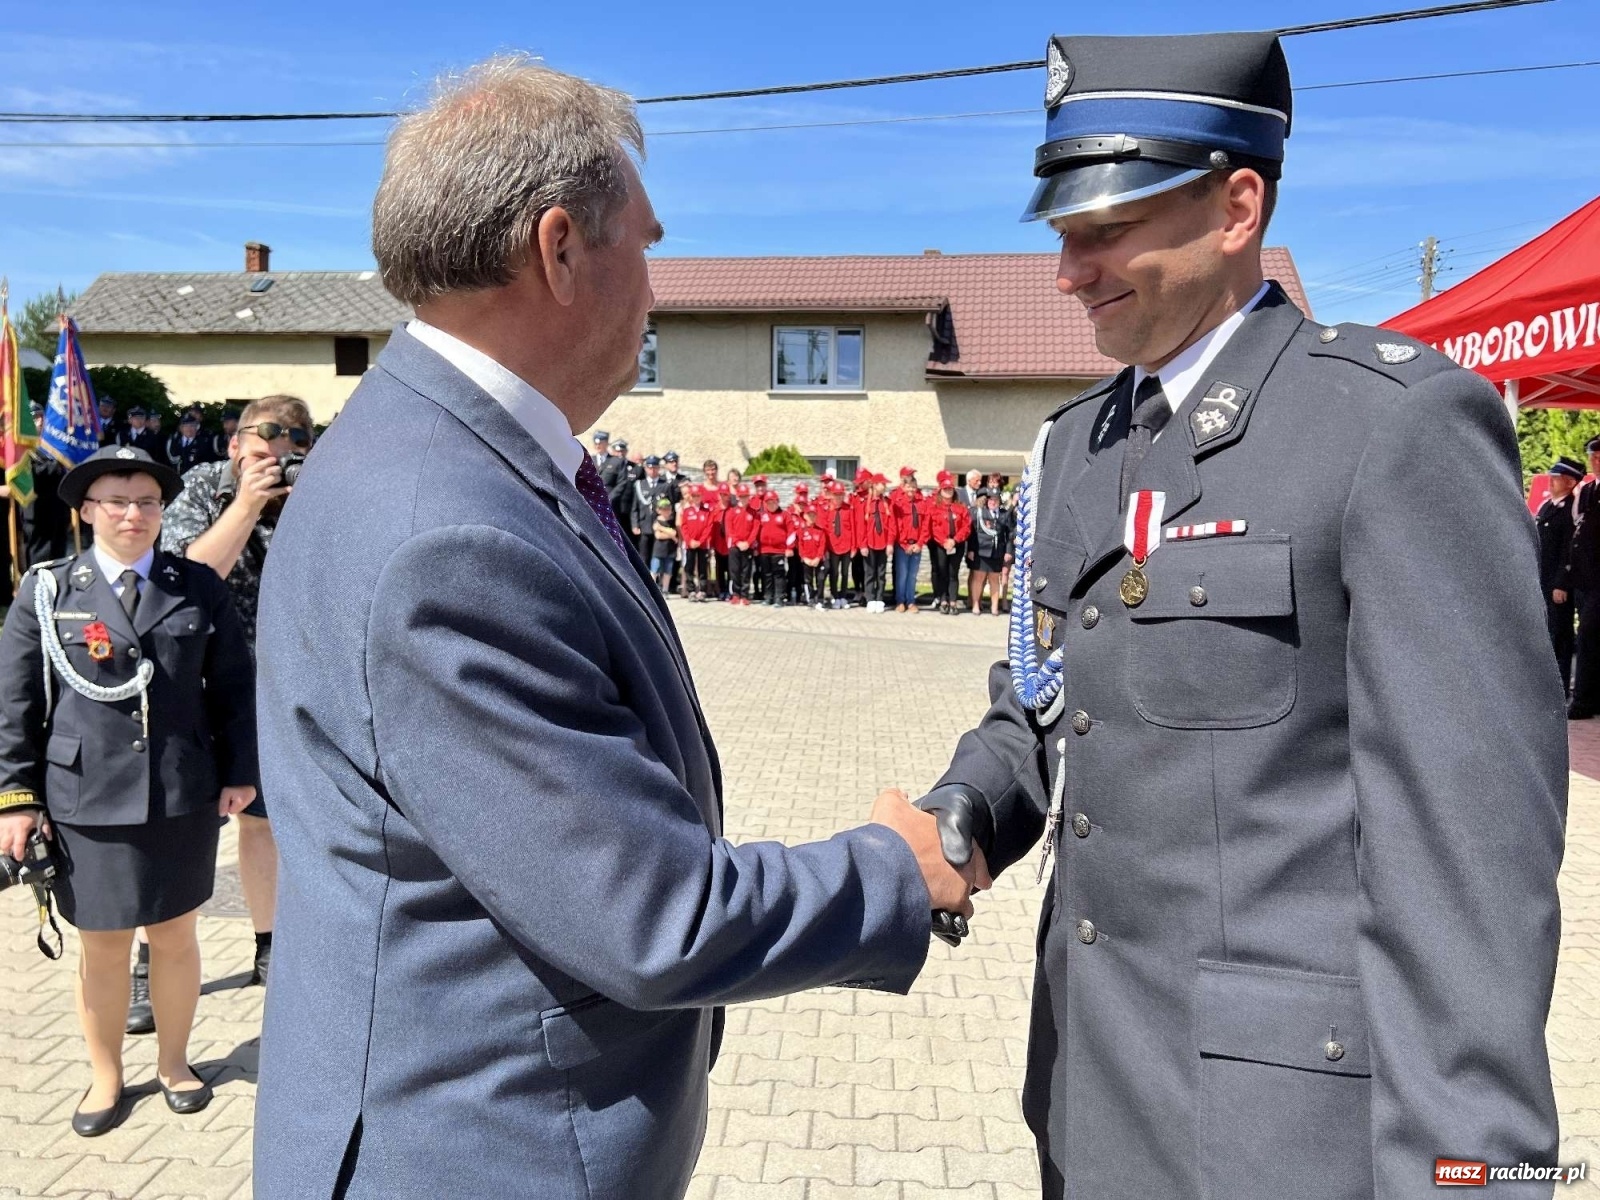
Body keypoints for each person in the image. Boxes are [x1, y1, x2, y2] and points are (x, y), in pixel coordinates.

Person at [251, 57, 976, 1200]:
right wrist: (895, 870)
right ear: (559, 251)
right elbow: (652, 914)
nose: (654, 287)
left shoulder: (431, 454)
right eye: (645, 241)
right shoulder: (447, 529)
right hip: (479, 1150)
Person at [916, 31, 1565, 1199]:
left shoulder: (1389, 428)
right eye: (1063, 236)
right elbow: (1045, 699)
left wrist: (1477, 1177)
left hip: (1285, 1135)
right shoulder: (1078, 443)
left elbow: (1472, 868)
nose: (1069, 271)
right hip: (1090, 1092)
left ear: (1235, 205)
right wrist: (966, 805)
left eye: (1104, 230)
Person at [0, 446, 257, 1137]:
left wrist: (240, 771)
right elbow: (16, 704)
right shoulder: (50, 590)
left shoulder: (196, 586)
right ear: (88, 511)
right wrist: (16, 799)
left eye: (147, 501)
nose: (133, 514)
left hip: (181, 792)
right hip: (85, 799)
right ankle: (106, 1074)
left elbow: (234, 685)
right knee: (104, 946)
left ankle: (175, 1063)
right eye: (116, 501)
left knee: (175, 937)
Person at [159, 393, 313, 993]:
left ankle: (267, 944)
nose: (271, 467)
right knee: (179, 827)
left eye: (283, 456)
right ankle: (155, 955)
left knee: (261, 822)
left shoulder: (309, 491)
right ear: (233, 447)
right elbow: (184, 580)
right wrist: (247, 504)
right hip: (195, 682)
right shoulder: (202, 488)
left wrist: (306, 510)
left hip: (273, 679)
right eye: (258, 456)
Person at [1541, 457, 1583, 694]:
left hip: (1556, 584)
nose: (1551, 482)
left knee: (1560, 636)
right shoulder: (1548, 507)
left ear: (1570, 482)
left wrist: (1561, 583)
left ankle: (1560, 687)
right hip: (1542, 581)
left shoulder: (1570, 510)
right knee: (1546, 634)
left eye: (1557, 479)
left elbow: (1569, 550)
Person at [1565, 436, 1600, 718]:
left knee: (1588, 637)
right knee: (1589, 637)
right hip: (1584, 579)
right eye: (1593, 456)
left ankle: (1584, 702)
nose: (1596, 461)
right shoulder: (1587, 491)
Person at [927, 471, 972, 615]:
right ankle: (943, 599)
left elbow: (966, 526)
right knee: (942, 573)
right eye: (945, 489)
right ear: (940, 490)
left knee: (953, 573)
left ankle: (953, 601)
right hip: (941, 545)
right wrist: (944, 541)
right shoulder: (935, 507)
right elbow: (933, 527)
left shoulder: (960, 507)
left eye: (950, 489)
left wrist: (955, 540)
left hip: (956, 545)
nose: (948, 491)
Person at [890, 467, 927, 613]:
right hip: (902, 545)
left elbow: (925, 524)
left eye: (913, 487)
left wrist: (919, 543)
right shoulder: (898, 502)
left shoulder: (921, 502)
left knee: (912, 575)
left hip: (916, 545)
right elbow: (897, 525)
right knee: (902, 574)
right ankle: (900, 601)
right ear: (903, 486)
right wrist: (903, 543)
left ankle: (911, 601)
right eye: (908, 486)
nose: (911, 489)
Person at [967, 489, 1010, 616]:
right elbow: (972, 533)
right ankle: (975, 605)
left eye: (995, 500)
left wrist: (1008, 552)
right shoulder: (980, 513)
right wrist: (971, 549)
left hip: (996, 552)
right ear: (987, 501)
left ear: (999, 501)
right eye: (991, 499)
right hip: (981, 551)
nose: (993, 502)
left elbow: (1008, 535)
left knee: (994, 580)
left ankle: (994, 607)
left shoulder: (1003, 514)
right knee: (978, 579)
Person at [856, 474, 894, 613]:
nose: (884, 487)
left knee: (881, 574)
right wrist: (863, 545)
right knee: (870, 573)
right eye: (882, 484)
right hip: (870, 543)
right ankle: (870, 599)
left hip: (883, 543)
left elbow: (891, 525)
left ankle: (879, 598)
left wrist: (890, 543)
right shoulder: (866, 503)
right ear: (875, 484)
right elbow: (861, 526)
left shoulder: (887, 503)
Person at [822, 480, 858, 609]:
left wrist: (854, 546)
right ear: (831, 495)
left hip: (846, 546)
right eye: (836, 495)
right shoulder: (827, 510)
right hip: (833, 546)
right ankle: (835, 595)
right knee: (834, 572)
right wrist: (825, 549)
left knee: (844, 572)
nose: (838, 497)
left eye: (840, 495)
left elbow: (853, 528)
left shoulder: (848, 509)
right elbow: (825, 530)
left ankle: (843, 596)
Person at [755, 488, 791, 606]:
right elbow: (756, 532)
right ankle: (768, 597)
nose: (771, 505)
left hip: (779, 551)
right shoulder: (761, 516)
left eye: (773, 502)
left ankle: (779, 598)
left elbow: (791, 532)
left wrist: (789, 547)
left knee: (779, 575)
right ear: (765, 504)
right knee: (767, 574)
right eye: (768, 502)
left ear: (778, 502)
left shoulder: (785, 515)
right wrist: (756, 548)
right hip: (764, 550)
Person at [678, 485, 714, 602]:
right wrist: (690, 541)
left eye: (698, 495)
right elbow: (684, 527)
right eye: (694, 496)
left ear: (701, 496)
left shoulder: (707, 511)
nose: (696, 498)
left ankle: (702, 590)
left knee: (702, 567)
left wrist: (700, 541)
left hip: (702, 545)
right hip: (690, 545)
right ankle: (691, 590)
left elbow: (708, 528)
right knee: (689, 567)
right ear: (691, 497)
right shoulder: (687, 511)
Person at [724, 482, 757, 605]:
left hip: (748, 547)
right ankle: (735, 594)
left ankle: (745, 595)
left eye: (746, 496)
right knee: (734, 571)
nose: (744, 499)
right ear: (738, 496)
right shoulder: (731, 512)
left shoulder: (753, 513)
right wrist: (738, 542)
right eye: (741, 496)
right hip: (735, 546)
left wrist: (748, 542)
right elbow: (729, 529)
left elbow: (755, 529)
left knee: (746, 571)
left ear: (749, 497)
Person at [796, 504, 828, 610]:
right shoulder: (802, 531)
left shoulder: (821, 531)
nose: (811, 517)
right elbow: (800, 545)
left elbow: (822, 546)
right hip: (807, 560)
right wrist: (804, 558)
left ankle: (820, 599)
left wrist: (818, 558)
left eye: (814, 515)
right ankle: (810, 599)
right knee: (807, 580)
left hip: (818, 560)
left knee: (820, 579)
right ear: (805, 516)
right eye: (809, 515)